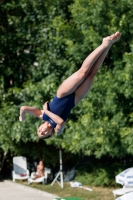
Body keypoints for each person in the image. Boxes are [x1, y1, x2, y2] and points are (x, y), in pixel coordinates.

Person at [19, 31, 120, 139]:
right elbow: (61, 122)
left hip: (62, 95)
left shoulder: (41, 115)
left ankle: (103, 44)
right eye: (43, 134)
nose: (42, 131)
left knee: (83, 72)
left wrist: (22, 117)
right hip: (74, 100)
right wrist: (47, 111)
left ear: (40, 126)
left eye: (39, 131)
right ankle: (108, 44)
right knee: (91, 74)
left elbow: (23, 108)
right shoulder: (57, 129)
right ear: (50, 134)